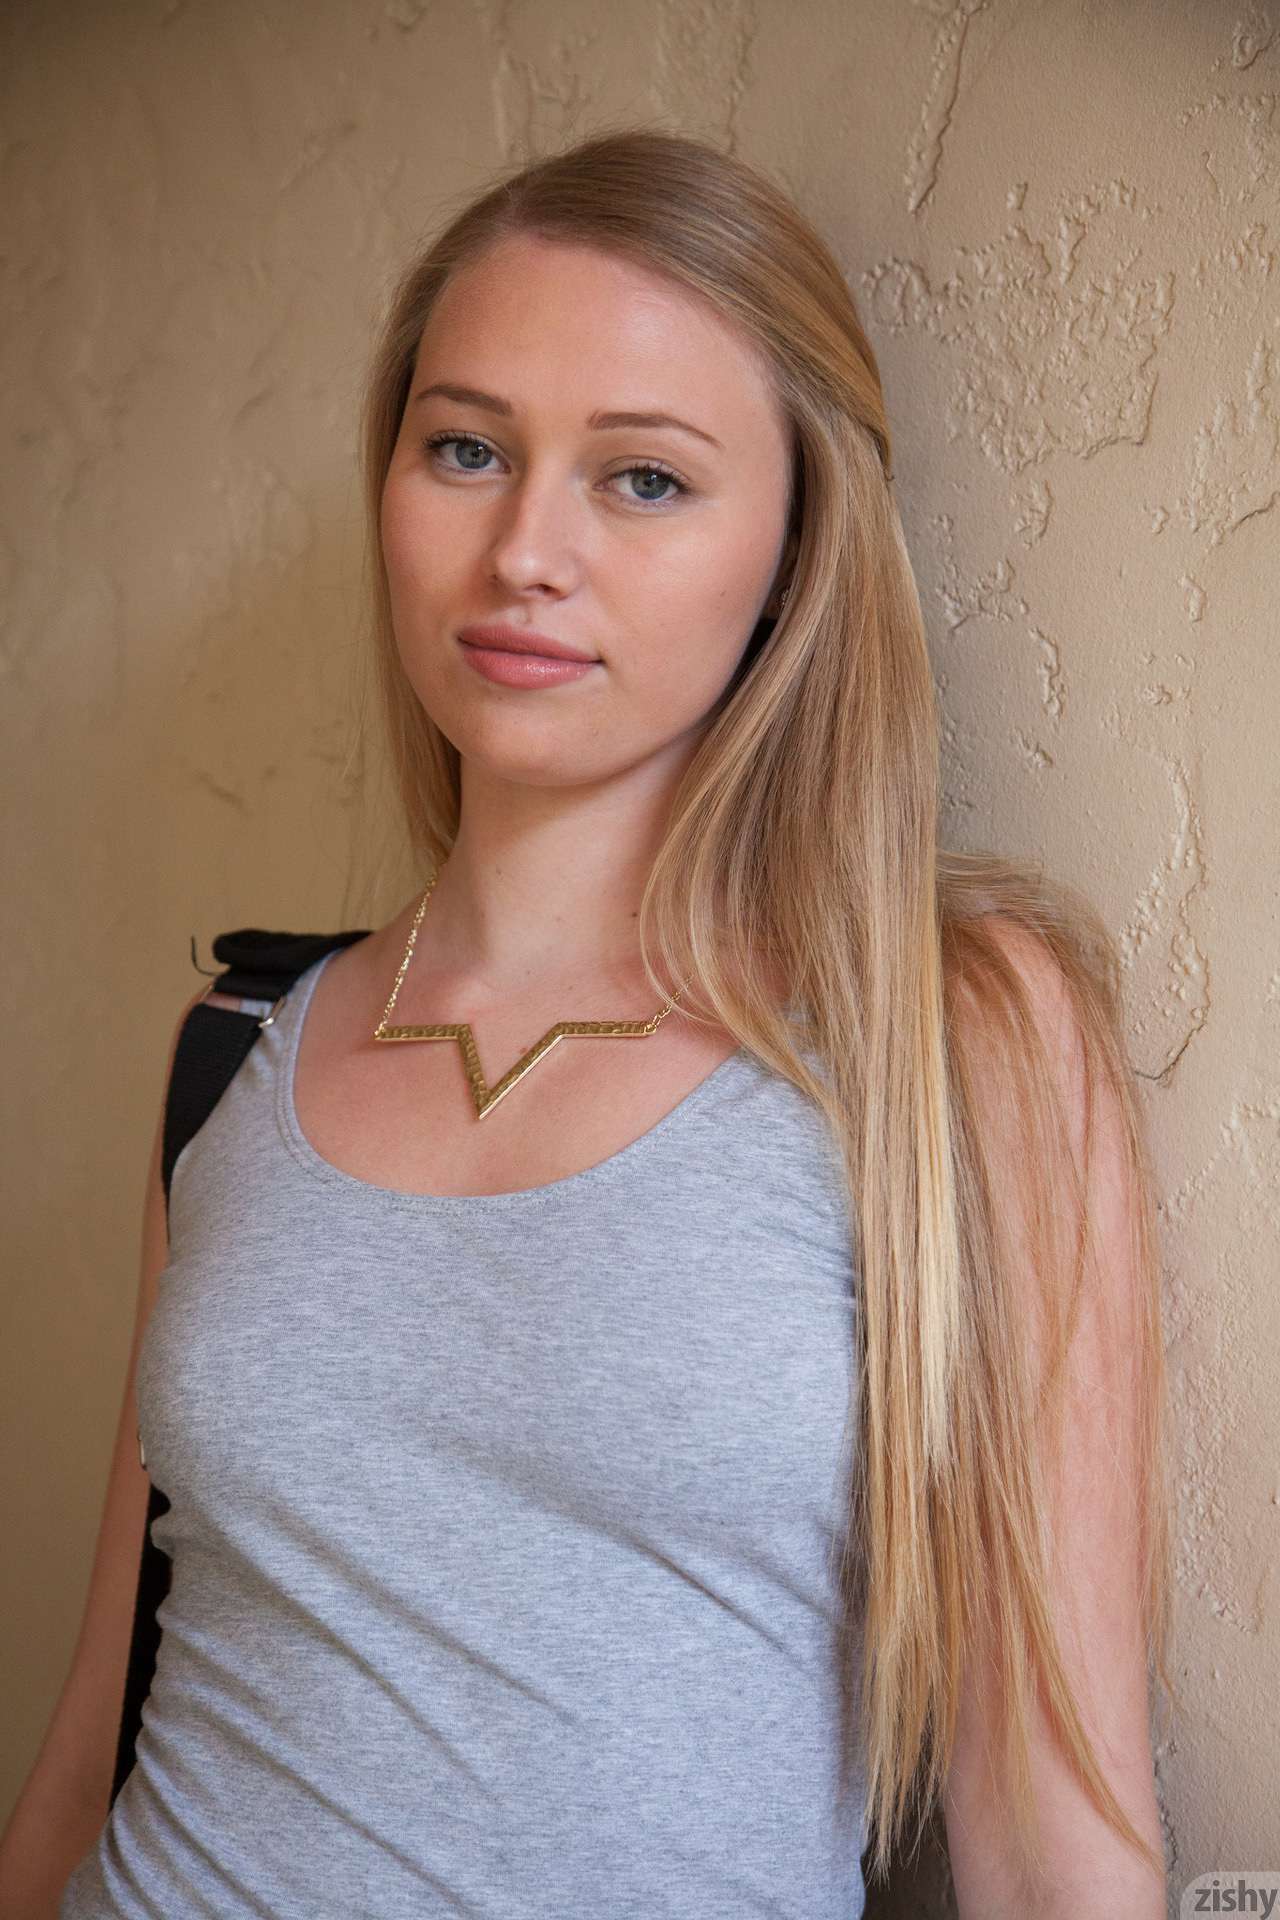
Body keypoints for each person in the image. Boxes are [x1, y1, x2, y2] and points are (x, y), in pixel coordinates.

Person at [1, 127, 1176, 1918]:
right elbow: (94, 1739)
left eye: (643, 478)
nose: (524, 552)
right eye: (466, 449)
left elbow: (1057, 1839)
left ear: (794, 548)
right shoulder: (234, 1042)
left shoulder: (955, 1039)